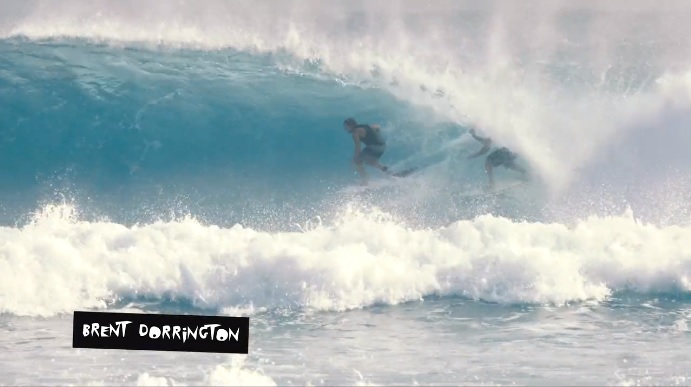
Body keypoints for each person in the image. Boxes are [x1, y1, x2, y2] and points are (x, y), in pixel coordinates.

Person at [343, 117, 391, 184]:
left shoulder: (355, 133)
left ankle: (365, 180)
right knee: (368, 161)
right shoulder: (365, 126)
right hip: (382, 146)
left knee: (358, 160)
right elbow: (377, 126)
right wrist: (377, 133)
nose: (345, 129)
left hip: (374, 148)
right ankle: (384, 169)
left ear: (351, 126)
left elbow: (358, 148)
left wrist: (354, 160)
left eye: (346, 127)